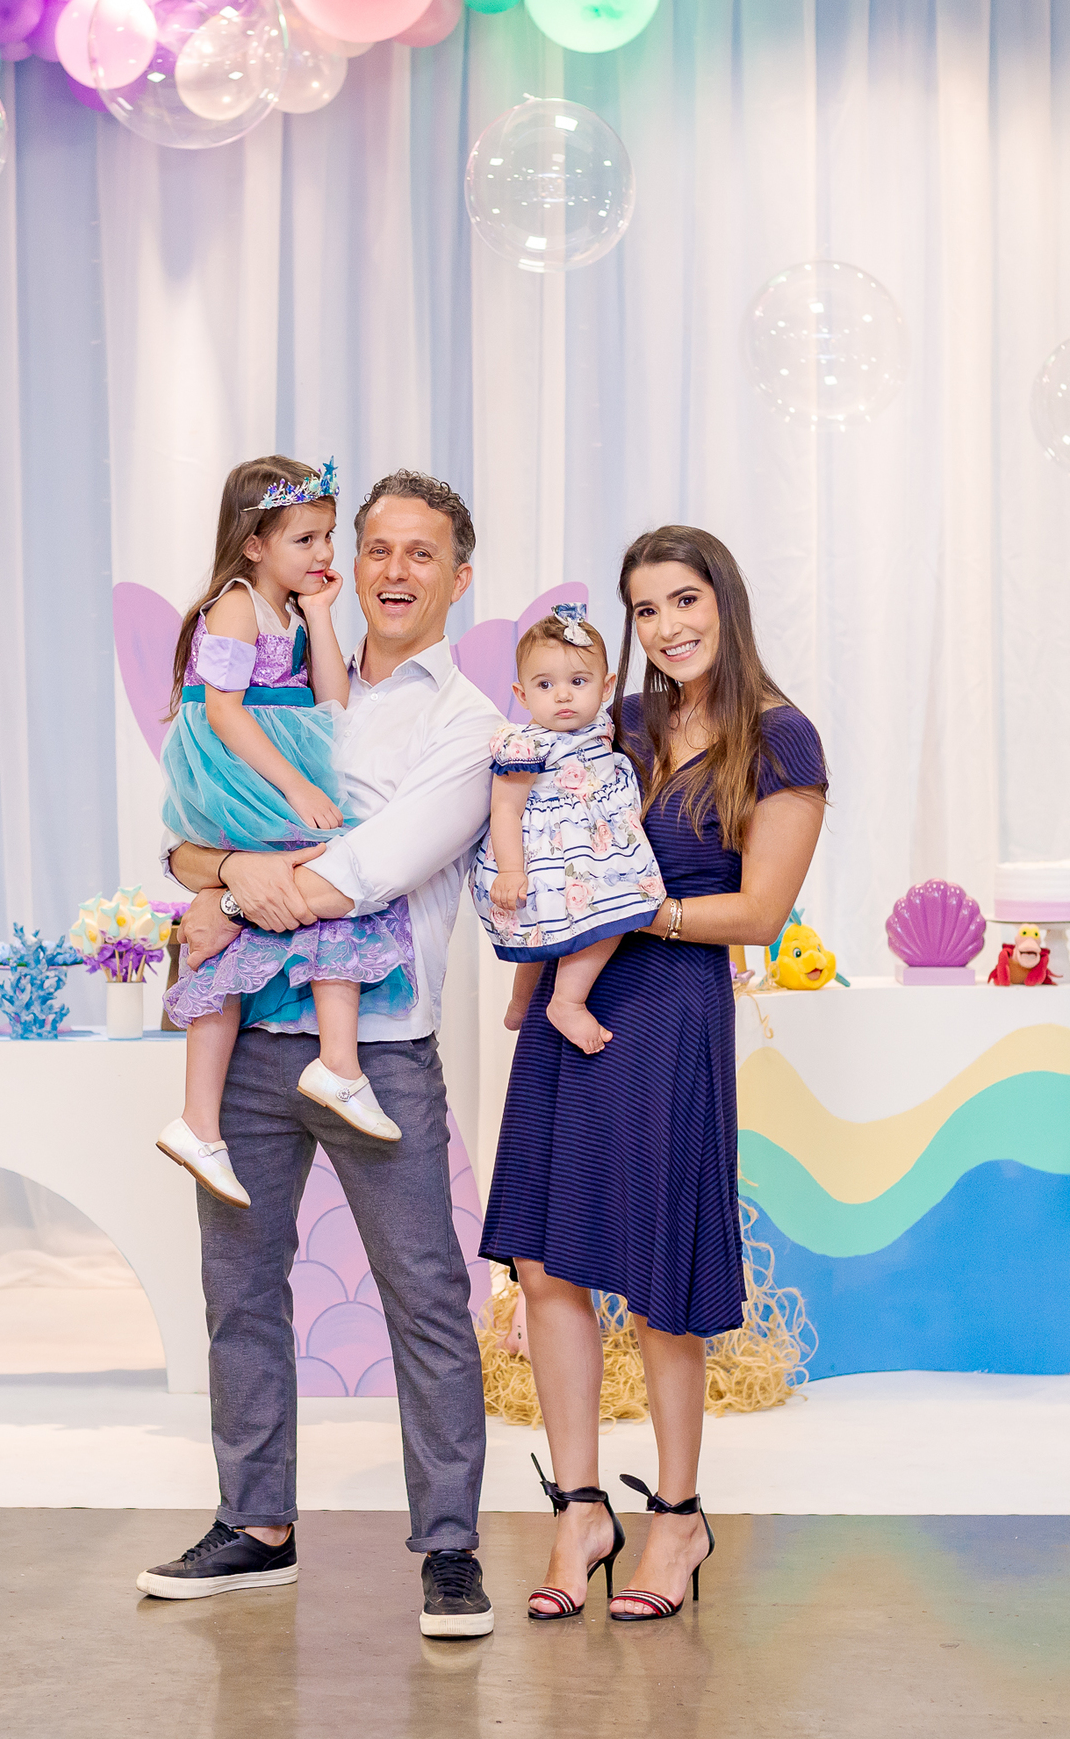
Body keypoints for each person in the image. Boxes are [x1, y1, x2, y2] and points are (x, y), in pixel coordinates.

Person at [136, 469, 501, 1641]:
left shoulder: (470, 725)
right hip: (250, 1036)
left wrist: (229, 882)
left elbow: (369, 869)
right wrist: (216, 868)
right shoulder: (286, 658)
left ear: (459, 576)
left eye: (420, 552)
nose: (392, 569)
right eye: (376, 546)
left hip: (376, 1049)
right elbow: (187, 833)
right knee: (238, 1285)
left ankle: (449, 1546)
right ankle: (255, 1526)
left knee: (426, 1295)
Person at [478, 525, 828, 1624]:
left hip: (668, 1013)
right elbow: (518, 802)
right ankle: (581, 1510)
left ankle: (677, 1516)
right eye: (645, 609)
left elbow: (760, 914)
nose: (668, 627)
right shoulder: (615, 719)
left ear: (725, 600)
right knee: (546, 1266)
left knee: (661, 1276)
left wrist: (637, 910)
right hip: (564, 1007)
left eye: (685, 600)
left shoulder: (781, 738)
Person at [157, 456, 414, 1213]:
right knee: (335, 874)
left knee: (274, 916)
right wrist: (296, 787)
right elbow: (222, 710)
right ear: (253, 545)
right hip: (239, 772)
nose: (323, 553)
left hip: (273, 763)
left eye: (328, 537)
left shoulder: (293, 615)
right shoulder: (237, 606)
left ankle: (222, 1112)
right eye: (305, 539)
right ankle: (307, 1077)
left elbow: (332, 703)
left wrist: (324, 614)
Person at [470, 604, 664, 1054]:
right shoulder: (525, 743)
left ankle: (521, 1005)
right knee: (615, 907)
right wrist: (511, 870)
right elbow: (505, 810)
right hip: (549, 854)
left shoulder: (603, 726)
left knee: (553, 930)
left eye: (578, 682)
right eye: (545, 685)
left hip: (594, 843)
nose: (562, 696)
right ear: (521, 694)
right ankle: (566, 1001)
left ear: (606, 687)